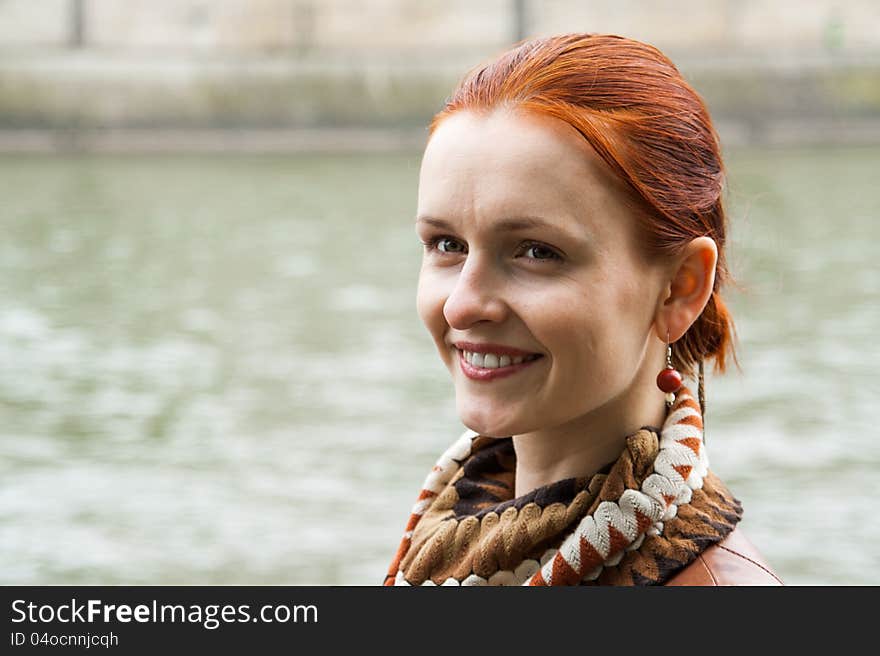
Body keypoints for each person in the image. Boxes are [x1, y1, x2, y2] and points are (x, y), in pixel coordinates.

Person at [384, 33, 782, 586]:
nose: (463, 304)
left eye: (537, 252)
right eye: (446, 245)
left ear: (680, 288)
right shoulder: (453, 525)